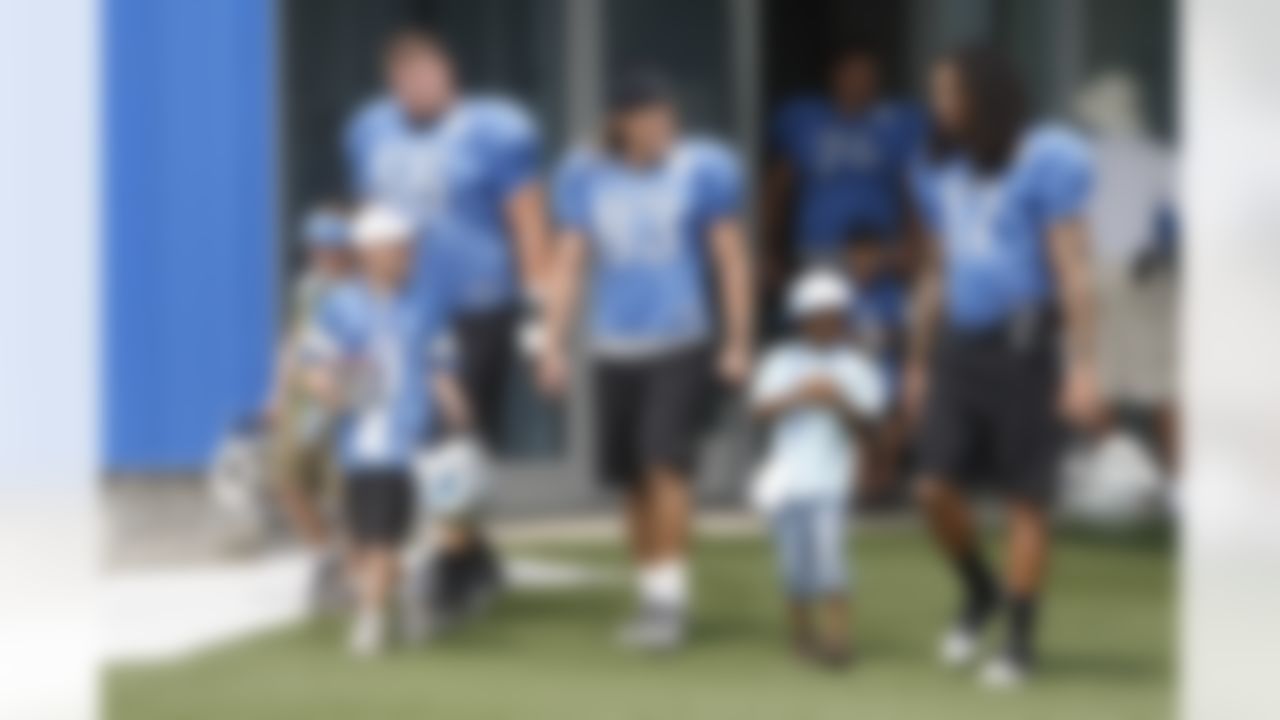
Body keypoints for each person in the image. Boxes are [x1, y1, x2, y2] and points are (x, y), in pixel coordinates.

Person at [903, 46, 1103, 688]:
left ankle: (1018, 644)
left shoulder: (1048, 158)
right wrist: (916, 361)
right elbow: (935, 270)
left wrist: (1082, 367)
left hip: (1025, 347)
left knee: (1025, 501)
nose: (940, 105)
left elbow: (1073, 268)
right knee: (931, 487)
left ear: (985, 96)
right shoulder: (937, 164)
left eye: (951, 92)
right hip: (959, 347)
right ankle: (979, 589)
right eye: (937, 93)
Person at [537, 71, 752, 651]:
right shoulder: (584, 174)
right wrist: (552, 345)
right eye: (650, 118)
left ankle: (671, 600)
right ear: (620, 123)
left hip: (681, 340)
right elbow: (570, 262)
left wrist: (737, 341)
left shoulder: (702, 168)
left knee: (665, 463)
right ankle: (652, 591)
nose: (663, 128)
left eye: (667, 116)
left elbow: (730, 257)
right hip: (614, 345)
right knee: (631, 481)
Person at [344, 27, 550, 614]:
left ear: (449, 75)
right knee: (409, 433)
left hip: (477, 302)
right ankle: (470, 557)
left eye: (426, 75)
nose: (416, 87)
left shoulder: (493, 130)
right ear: (392, 84)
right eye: (404, 79)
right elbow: (369, 219)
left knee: (454, 436)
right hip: (405, 308)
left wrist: (538, 308)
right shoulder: (370, 130)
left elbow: (527, 218)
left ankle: (459, 565)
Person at [297, 203, 471, 657]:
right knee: (371, 535)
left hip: (414, 437)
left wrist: (455, 406)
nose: (409, 255)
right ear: (371, 253)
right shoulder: (341, 306)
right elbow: (313, 361)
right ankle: (389, 607)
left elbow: (441, 363)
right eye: (399, 247)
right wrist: (326, 387)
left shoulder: (427, 304)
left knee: (394, 534)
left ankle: (378, 614)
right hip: (364, 441)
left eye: (409, 247)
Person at [763, 41, 925, 494]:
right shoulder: (805, 121)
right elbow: (779, 187)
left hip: (881, 261)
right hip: (820, 259)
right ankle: (834, 468)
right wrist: (768, 249)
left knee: (880, 367)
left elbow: (913, 188)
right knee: (823, 365)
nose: (860, 85)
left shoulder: (895, 125)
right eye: (851, 74)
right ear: (834, 78)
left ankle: (880, 472)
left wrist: (914, 250)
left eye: (868, 76)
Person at [750, 268, 887, 670]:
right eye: (818, 316)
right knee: (793, 565)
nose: (826, 323)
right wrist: (799, 394)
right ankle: (802, 637)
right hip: (787, 482)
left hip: (832, 481)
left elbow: (871, 425)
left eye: (833, 315)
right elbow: (760, 411)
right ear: (802, 319)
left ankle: (837, 639)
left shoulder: (855, 365)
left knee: (832, 560)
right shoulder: (780, 361)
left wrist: (839, 401)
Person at [263, 204, 353, 612]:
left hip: (342, 398)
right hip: (304, 401)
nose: (320, 254)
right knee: (288, 479)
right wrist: (277, 394)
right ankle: (323, 556)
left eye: (328, 246)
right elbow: (293, 341)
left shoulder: (361, 290)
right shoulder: (307, 288)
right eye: (315, 246)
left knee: (342, 493)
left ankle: (347, 572)